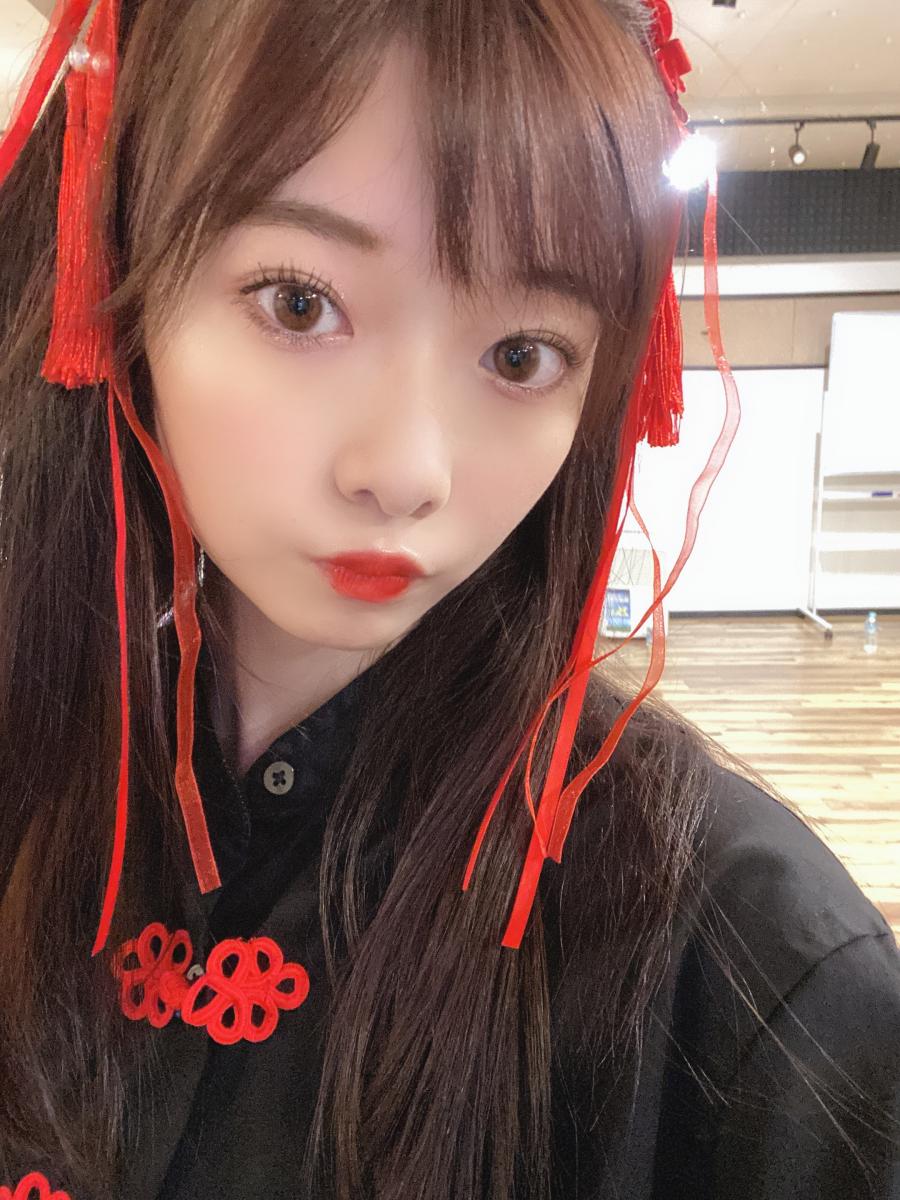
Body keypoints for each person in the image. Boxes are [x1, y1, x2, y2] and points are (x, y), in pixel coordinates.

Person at [0, 1, 897, 1198]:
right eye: (299, 302)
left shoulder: (745, 975)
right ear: (112, 269)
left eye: (522, 355)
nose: (408, 469)